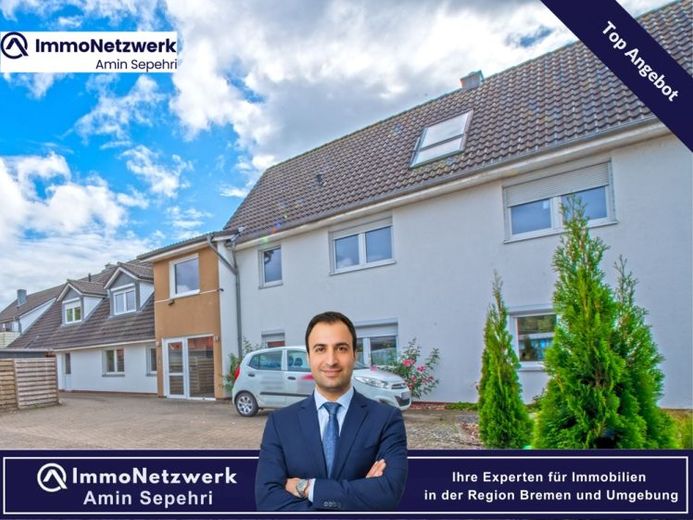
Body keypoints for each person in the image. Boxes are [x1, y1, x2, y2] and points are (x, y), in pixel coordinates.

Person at [255, 311, 408, 511]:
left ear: (354, 354)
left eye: (341, 348)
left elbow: (388, 492)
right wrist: (361, 494)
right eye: (320, 349)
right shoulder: (280, 422)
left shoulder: (386, 419)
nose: (331, 360)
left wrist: (307, 487)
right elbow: (267, 501)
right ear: (308, 357)